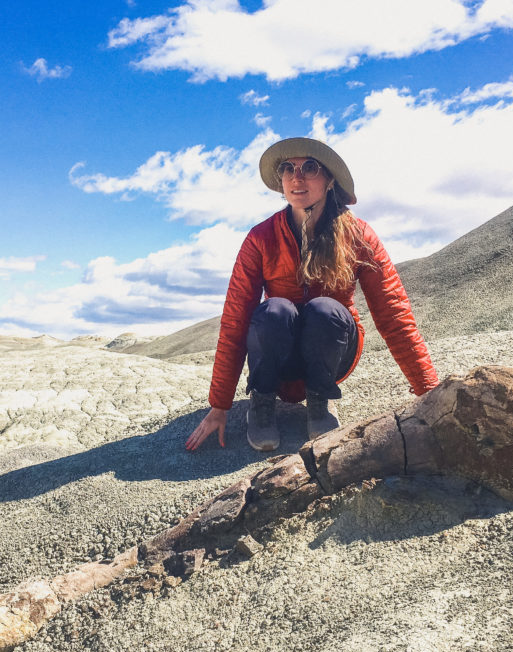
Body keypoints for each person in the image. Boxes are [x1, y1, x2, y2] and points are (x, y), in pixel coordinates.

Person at [184, 137, 439, 452]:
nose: (296, 177)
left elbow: (393, 313)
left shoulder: (359, 236)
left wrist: (429, 392)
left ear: (329, 179)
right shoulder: (260, 238)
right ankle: (262, 402)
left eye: (309, 167)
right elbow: (236, 319)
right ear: (281, 181)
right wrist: (220, 404)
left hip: (331, 353)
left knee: (325, 310)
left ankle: (321, 399)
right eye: (288, 169)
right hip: (278, 362)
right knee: (274, 310)